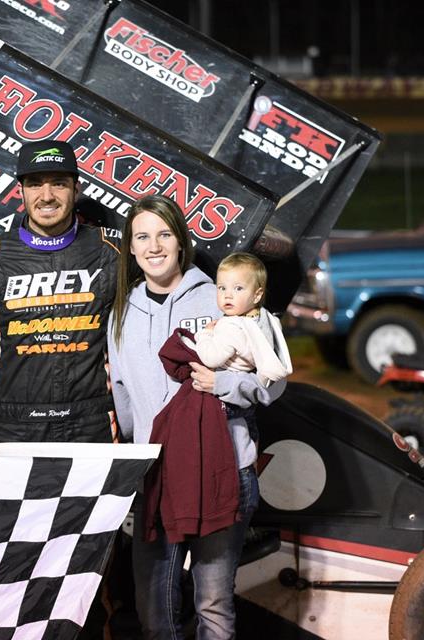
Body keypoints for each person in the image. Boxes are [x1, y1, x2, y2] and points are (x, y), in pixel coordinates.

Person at [107, 194, 286, 639]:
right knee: (154, 609)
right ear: (131, 247)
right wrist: (136, 455)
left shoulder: (223, 296)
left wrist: (222, 385)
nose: (154, 246)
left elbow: (274, 381)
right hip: (158, 472)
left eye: (164, 234)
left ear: (181, 241)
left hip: (221, 468)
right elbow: (123, 397)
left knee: (213, 602)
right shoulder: (123, 311)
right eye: (142, 236)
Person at [0, 139, 120, 459]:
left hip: (91, 424)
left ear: (76, 189)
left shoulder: (113, 252)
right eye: (35, 184)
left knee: (87, 512)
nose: (46, 196)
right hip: (12, 426)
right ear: (20, 190)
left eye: (59, 184)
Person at [193, 251, 292, 389]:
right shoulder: (268, 319)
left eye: (238, 288)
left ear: (257, 295)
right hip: (252, 387)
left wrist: (205, 334)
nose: (228, 295)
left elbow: (211, 359)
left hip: (226, 392)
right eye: (222, 288)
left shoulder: (231, 327)